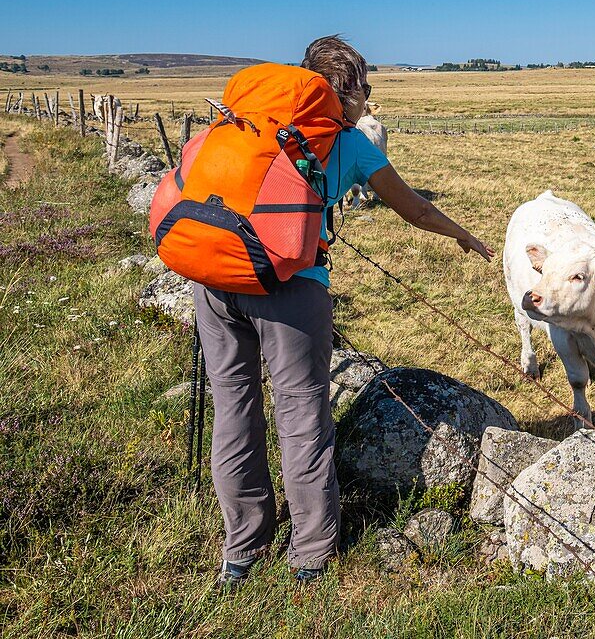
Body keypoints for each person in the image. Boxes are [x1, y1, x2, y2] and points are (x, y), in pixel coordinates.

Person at [194, 35, 494, 587]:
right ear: (346, 91)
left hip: (213, 277)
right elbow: (415, 208)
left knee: (233, 407)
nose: (367, 101)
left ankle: (242, 547)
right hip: (290, 286)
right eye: (366, 89)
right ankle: (310, 552)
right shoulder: (350, 144)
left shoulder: (250, 123)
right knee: (302, 413)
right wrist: (462, 235)